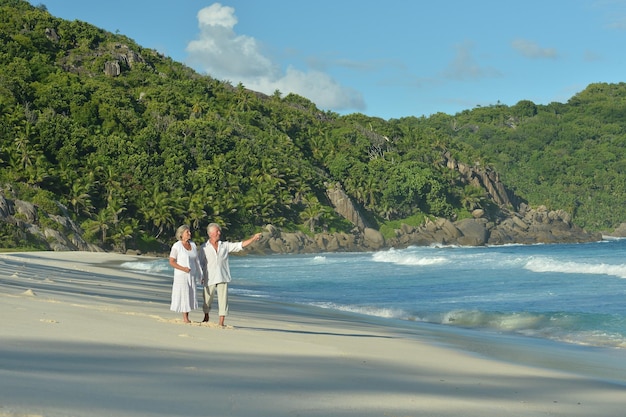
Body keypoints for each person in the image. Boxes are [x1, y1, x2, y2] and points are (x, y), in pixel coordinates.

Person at [198, 223, 262, 327]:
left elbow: (239, 245)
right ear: (210, 233)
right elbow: (200, 262)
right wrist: (200, 275)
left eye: (219, 231)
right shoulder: (204, 247)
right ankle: (206, 316)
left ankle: (221, 321)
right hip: (208, 276)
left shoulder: (224, 245)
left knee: (223, 300)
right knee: (207, 299)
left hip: (223, 276)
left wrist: (253, 238)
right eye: (217, 231)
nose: (219, 233)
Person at [168, 225, 201, 323]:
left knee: (190, 294)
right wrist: (183, 268)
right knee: (184, 294)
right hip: (181, 275)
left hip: (191, 275)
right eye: (187, 232)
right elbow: (172, 261)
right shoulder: (177, 246)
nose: (190, 233)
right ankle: (185, 318)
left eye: (189, 232)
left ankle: (187, 316)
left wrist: (200, 274)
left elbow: (196, 261)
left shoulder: (193, 245)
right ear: (181, 234)